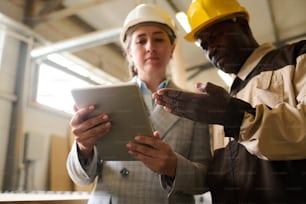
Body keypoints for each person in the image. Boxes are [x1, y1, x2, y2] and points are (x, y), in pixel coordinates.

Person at [153, 0, 306, 203]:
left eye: (215, 36)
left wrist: (235, 116)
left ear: (242, 26)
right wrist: (172, 164)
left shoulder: (295, 58)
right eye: (204, 45)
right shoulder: (225, 98)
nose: (211, 50)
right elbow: (221, 176)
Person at [66, 3, 212, 204]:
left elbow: (204, 180)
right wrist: (83, 146)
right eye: (141, 41)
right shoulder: (103, 100)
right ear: (129, 53)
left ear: (172, 48)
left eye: (158, 39)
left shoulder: (195, 106)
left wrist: (173, 166)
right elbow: (81, 178)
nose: (150, 46)